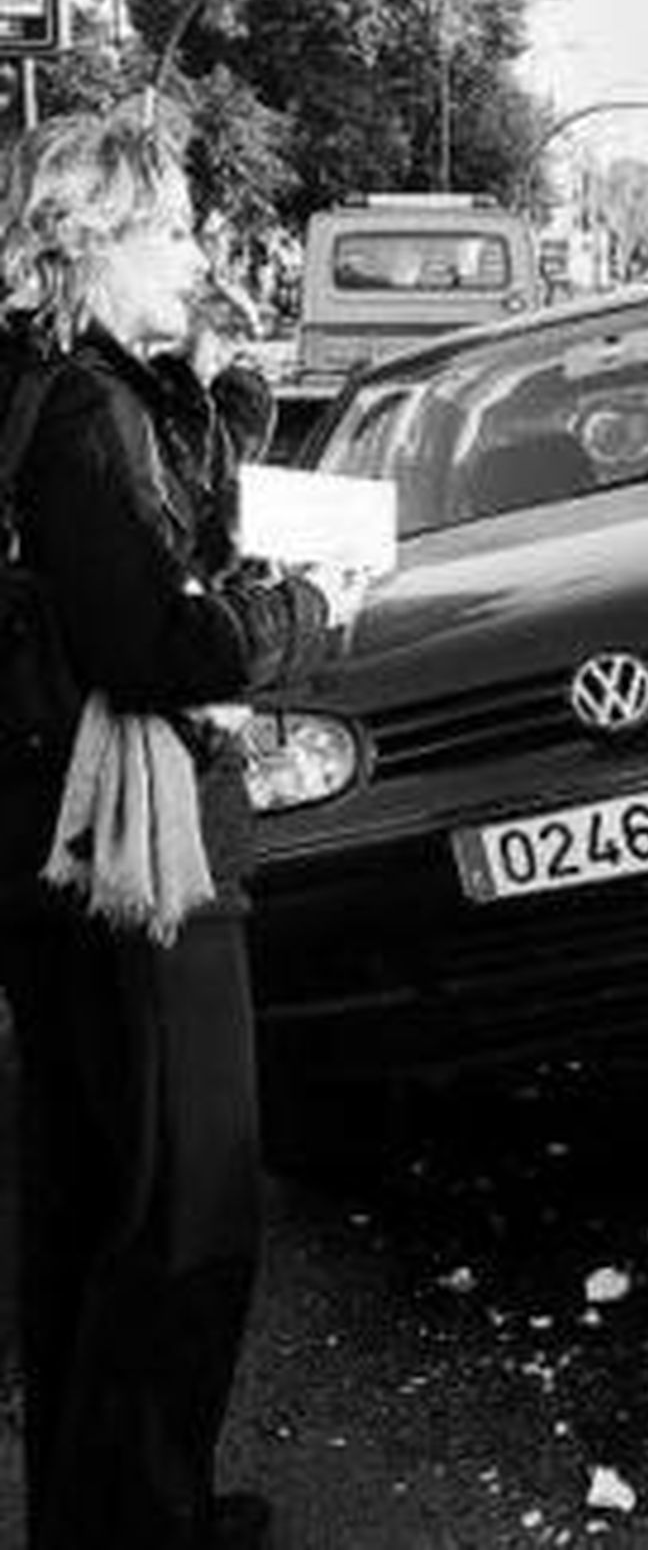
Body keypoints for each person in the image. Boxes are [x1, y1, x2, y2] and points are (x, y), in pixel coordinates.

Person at [0, 99, 357, 1546]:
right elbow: (166, 637)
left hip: (60, 843)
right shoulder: (80, 410)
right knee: (182, 1205)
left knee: (97, 1196)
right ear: (96, 241)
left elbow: (175, 534)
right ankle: (140, 1522)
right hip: (134, 855)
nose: (197, 252)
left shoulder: (75, 383)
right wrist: (308, 614)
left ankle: (118, 1507)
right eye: (174, 229)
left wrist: (217, 394)